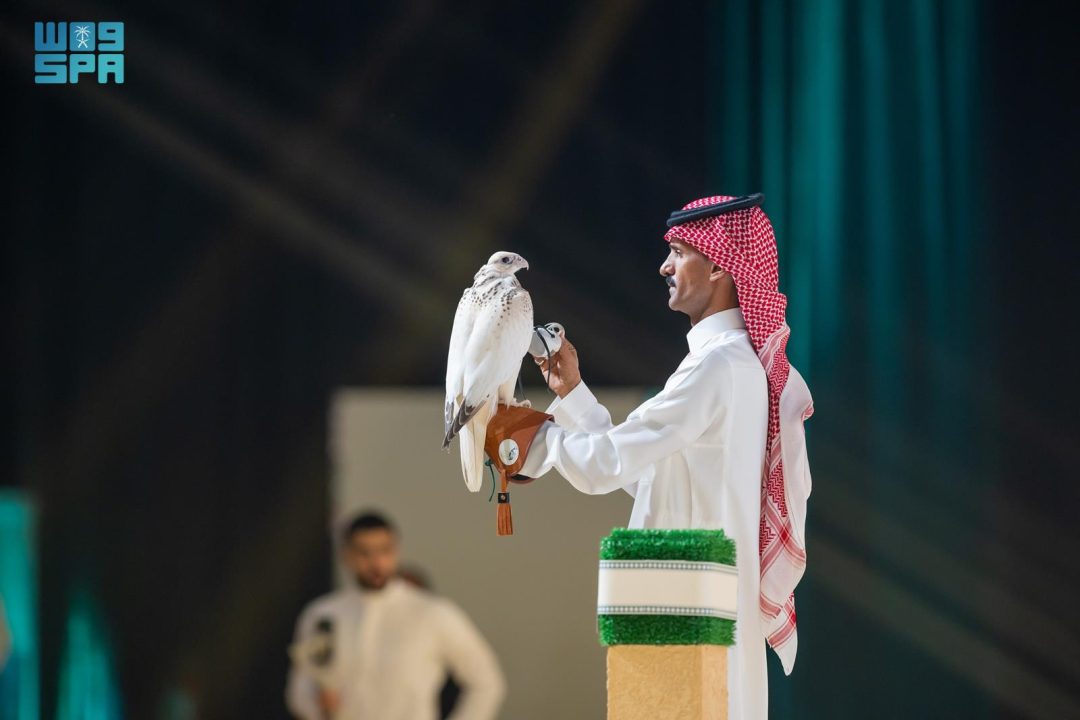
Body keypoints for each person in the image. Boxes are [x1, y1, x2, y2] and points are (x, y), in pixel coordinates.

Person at [517, 194, 814, 720]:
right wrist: (574, 398)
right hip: (701, 601)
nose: (664, 266)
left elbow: (604, 467)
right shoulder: (732, 365)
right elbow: (655, 477)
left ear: (720, 263)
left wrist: (529, 441)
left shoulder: (716, 368)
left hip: (694, 606)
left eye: (677, 251)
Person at [286, 511, 505, 720]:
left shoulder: (432, 613)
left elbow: (486, 682)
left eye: (384, 550)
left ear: (396, 551)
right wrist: (318, 708)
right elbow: (301, 687)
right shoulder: (323, 615)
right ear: (347, 555)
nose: (376, 562)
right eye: (365, 552)